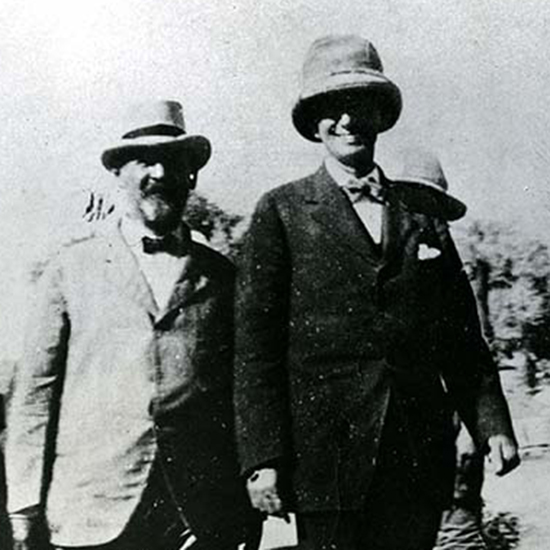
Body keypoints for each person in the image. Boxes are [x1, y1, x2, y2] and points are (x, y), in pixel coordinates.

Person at [233, 35, 520, 550]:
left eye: (359, 104)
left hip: (416, 458)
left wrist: (491, 423)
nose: (347, 121)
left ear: (380, 114)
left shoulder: (422, 212)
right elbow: (256, 353)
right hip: (327, 464)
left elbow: (459, 336)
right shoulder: (281, 212)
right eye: (331, 109)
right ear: (314, 123)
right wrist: (264, 460)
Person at [5, 99, 260, 550]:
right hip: (94, 509)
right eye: (145, 161)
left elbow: (244, 390)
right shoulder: (70, 269)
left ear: (191, 175)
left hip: (200, 515)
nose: (159, 174)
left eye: (172, 162)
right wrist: (23, 504)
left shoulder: (222, 275)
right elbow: (34, 396)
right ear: (118, 173)